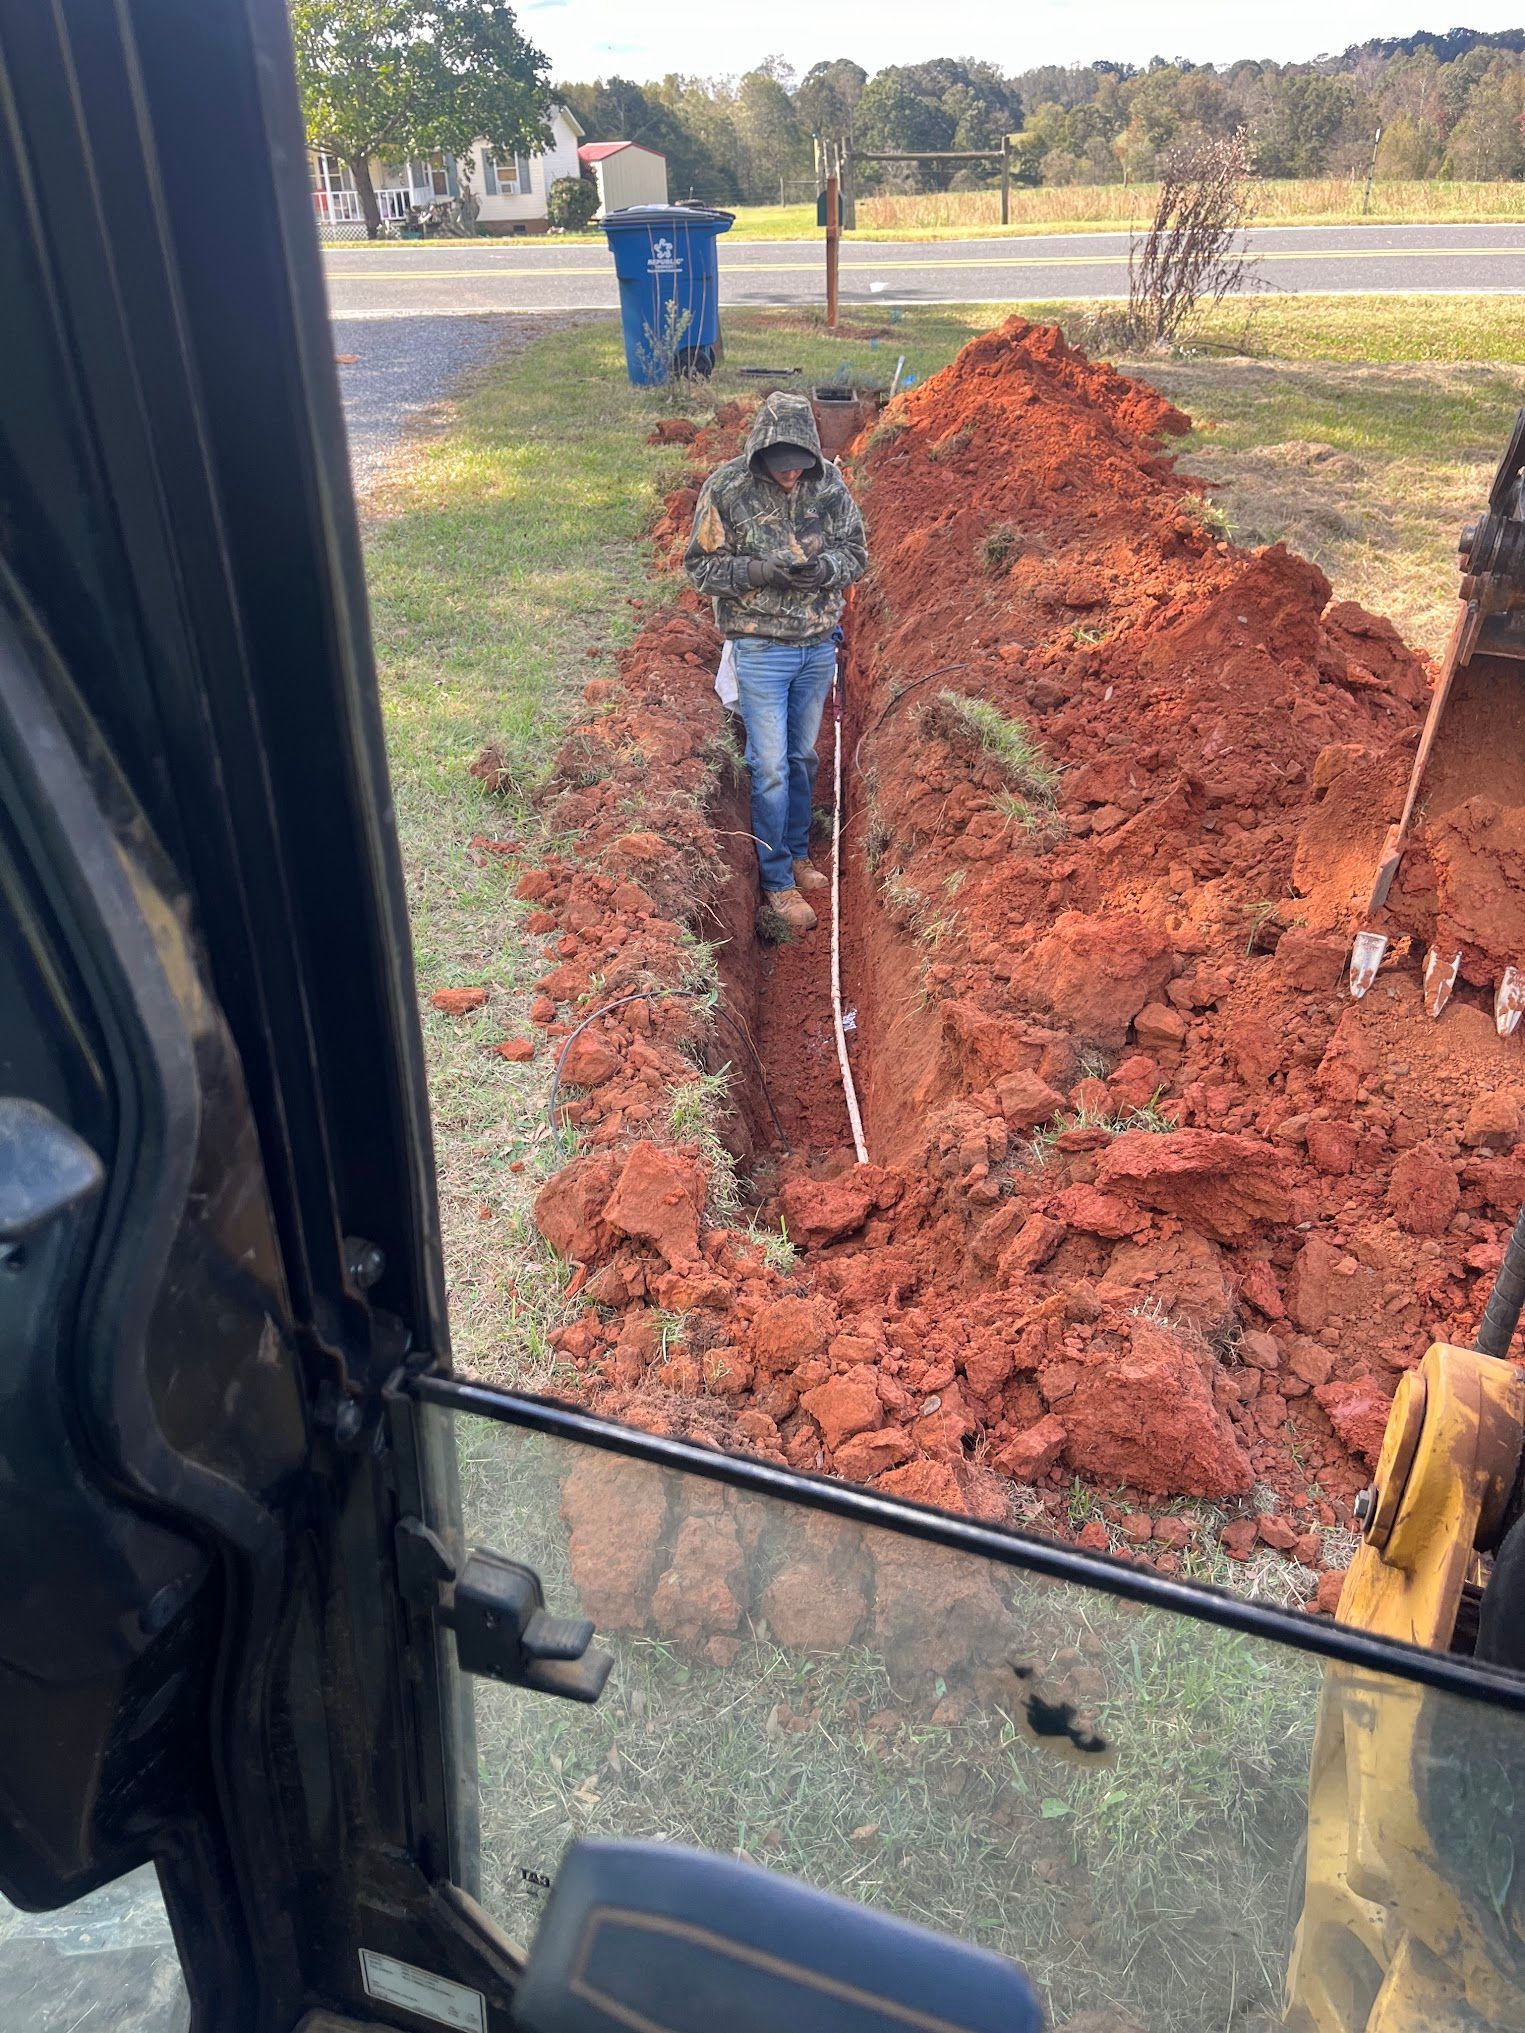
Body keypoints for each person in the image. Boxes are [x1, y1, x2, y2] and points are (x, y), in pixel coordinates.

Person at [684, 391, 869, 933]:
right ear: (763, 454)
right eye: (783, 467)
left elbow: (856, 551)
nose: (793, 476)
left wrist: (826, 568)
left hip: (816, 645)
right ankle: (776, 881)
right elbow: (699, 568)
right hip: (761, 648)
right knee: (767, 767)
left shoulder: (828, 483)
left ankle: (796, 851)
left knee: (802, 756)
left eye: (800, 466)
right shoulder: (728, 489)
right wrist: (758, 573)